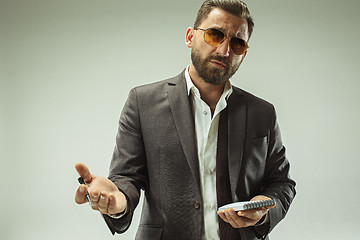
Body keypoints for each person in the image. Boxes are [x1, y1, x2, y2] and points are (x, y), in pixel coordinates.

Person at [74, 0, 296, 239]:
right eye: (214, 35)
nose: (224, 51)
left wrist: (263, 208)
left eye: (237, 43)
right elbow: (127, 177)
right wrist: (118, 201)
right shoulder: (142, 102)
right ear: (190, 37)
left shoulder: (262, 112)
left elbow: (282, 184)